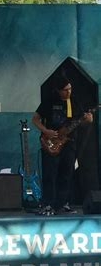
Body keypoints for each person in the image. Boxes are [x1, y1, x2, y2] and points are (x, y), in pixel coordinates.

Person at [32, 76, 93, 216]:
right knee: (50, 174)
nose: (69, 92)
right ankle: (47, 204)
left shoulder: (75, 102)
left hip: (70, 142)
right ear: (58, 90)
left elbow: (85, 120)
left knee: (66, 174)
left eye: (70, 89)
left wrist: (88, 119)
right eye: (65, 90)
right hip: (52, 141)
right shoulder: (49, 101)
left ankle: (62, 203)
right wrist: (45, 131)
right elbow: (35, 118)